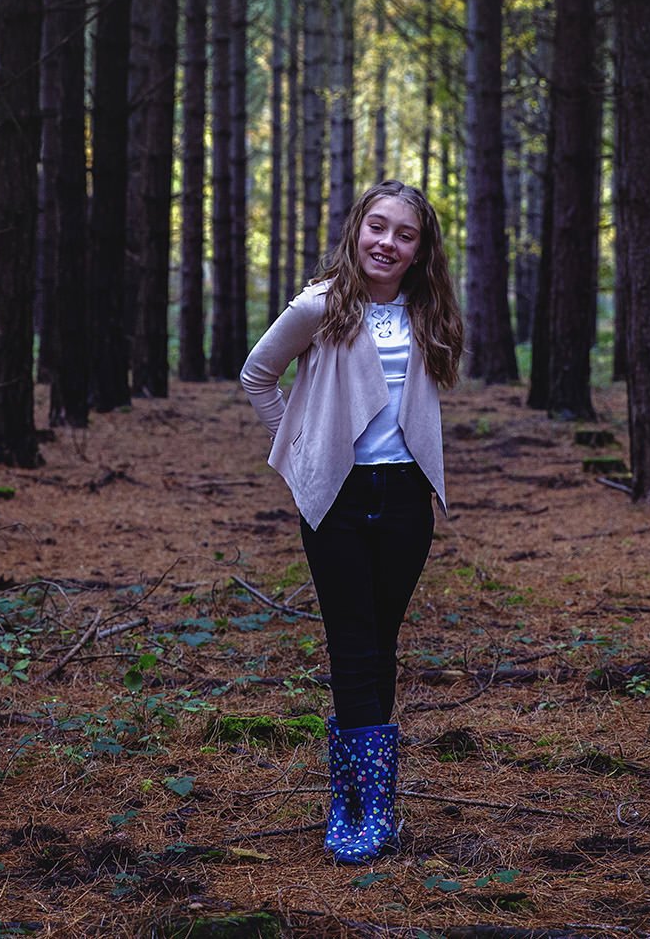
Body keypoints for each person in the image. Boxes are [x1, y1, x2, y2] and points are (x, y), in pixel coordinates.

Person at [240, 179, 464, 863]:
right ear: (357, 229)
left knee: (383, 642)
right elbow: (257, 375)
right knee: (351, 644)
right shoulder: (321, 305)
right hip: (337, 497)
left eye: (405, 233)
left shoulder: (428, 311)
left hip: (405, 502)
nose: (387, 242)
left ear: (420, 248)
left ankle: (369, 798)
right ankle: (360, 806)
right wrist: (303, 454)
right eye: (378, 226)